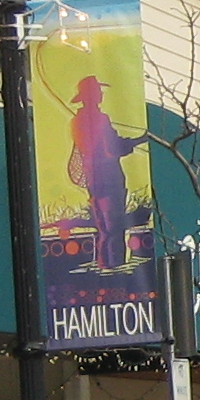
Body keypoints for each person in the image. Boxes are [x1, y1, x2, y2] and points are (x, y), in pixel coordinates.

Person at [62, 74, 137, 269]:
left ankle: (107, 263)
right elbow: (111, 148)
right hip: (109, 178)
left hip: (93, 180)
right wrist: (134, 142)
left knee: (104, 226)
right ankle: (114, 266)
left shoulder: (76, 121)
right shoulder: (100, 119)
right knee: (114, 225)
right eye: (98, 91)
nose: (101, 94)